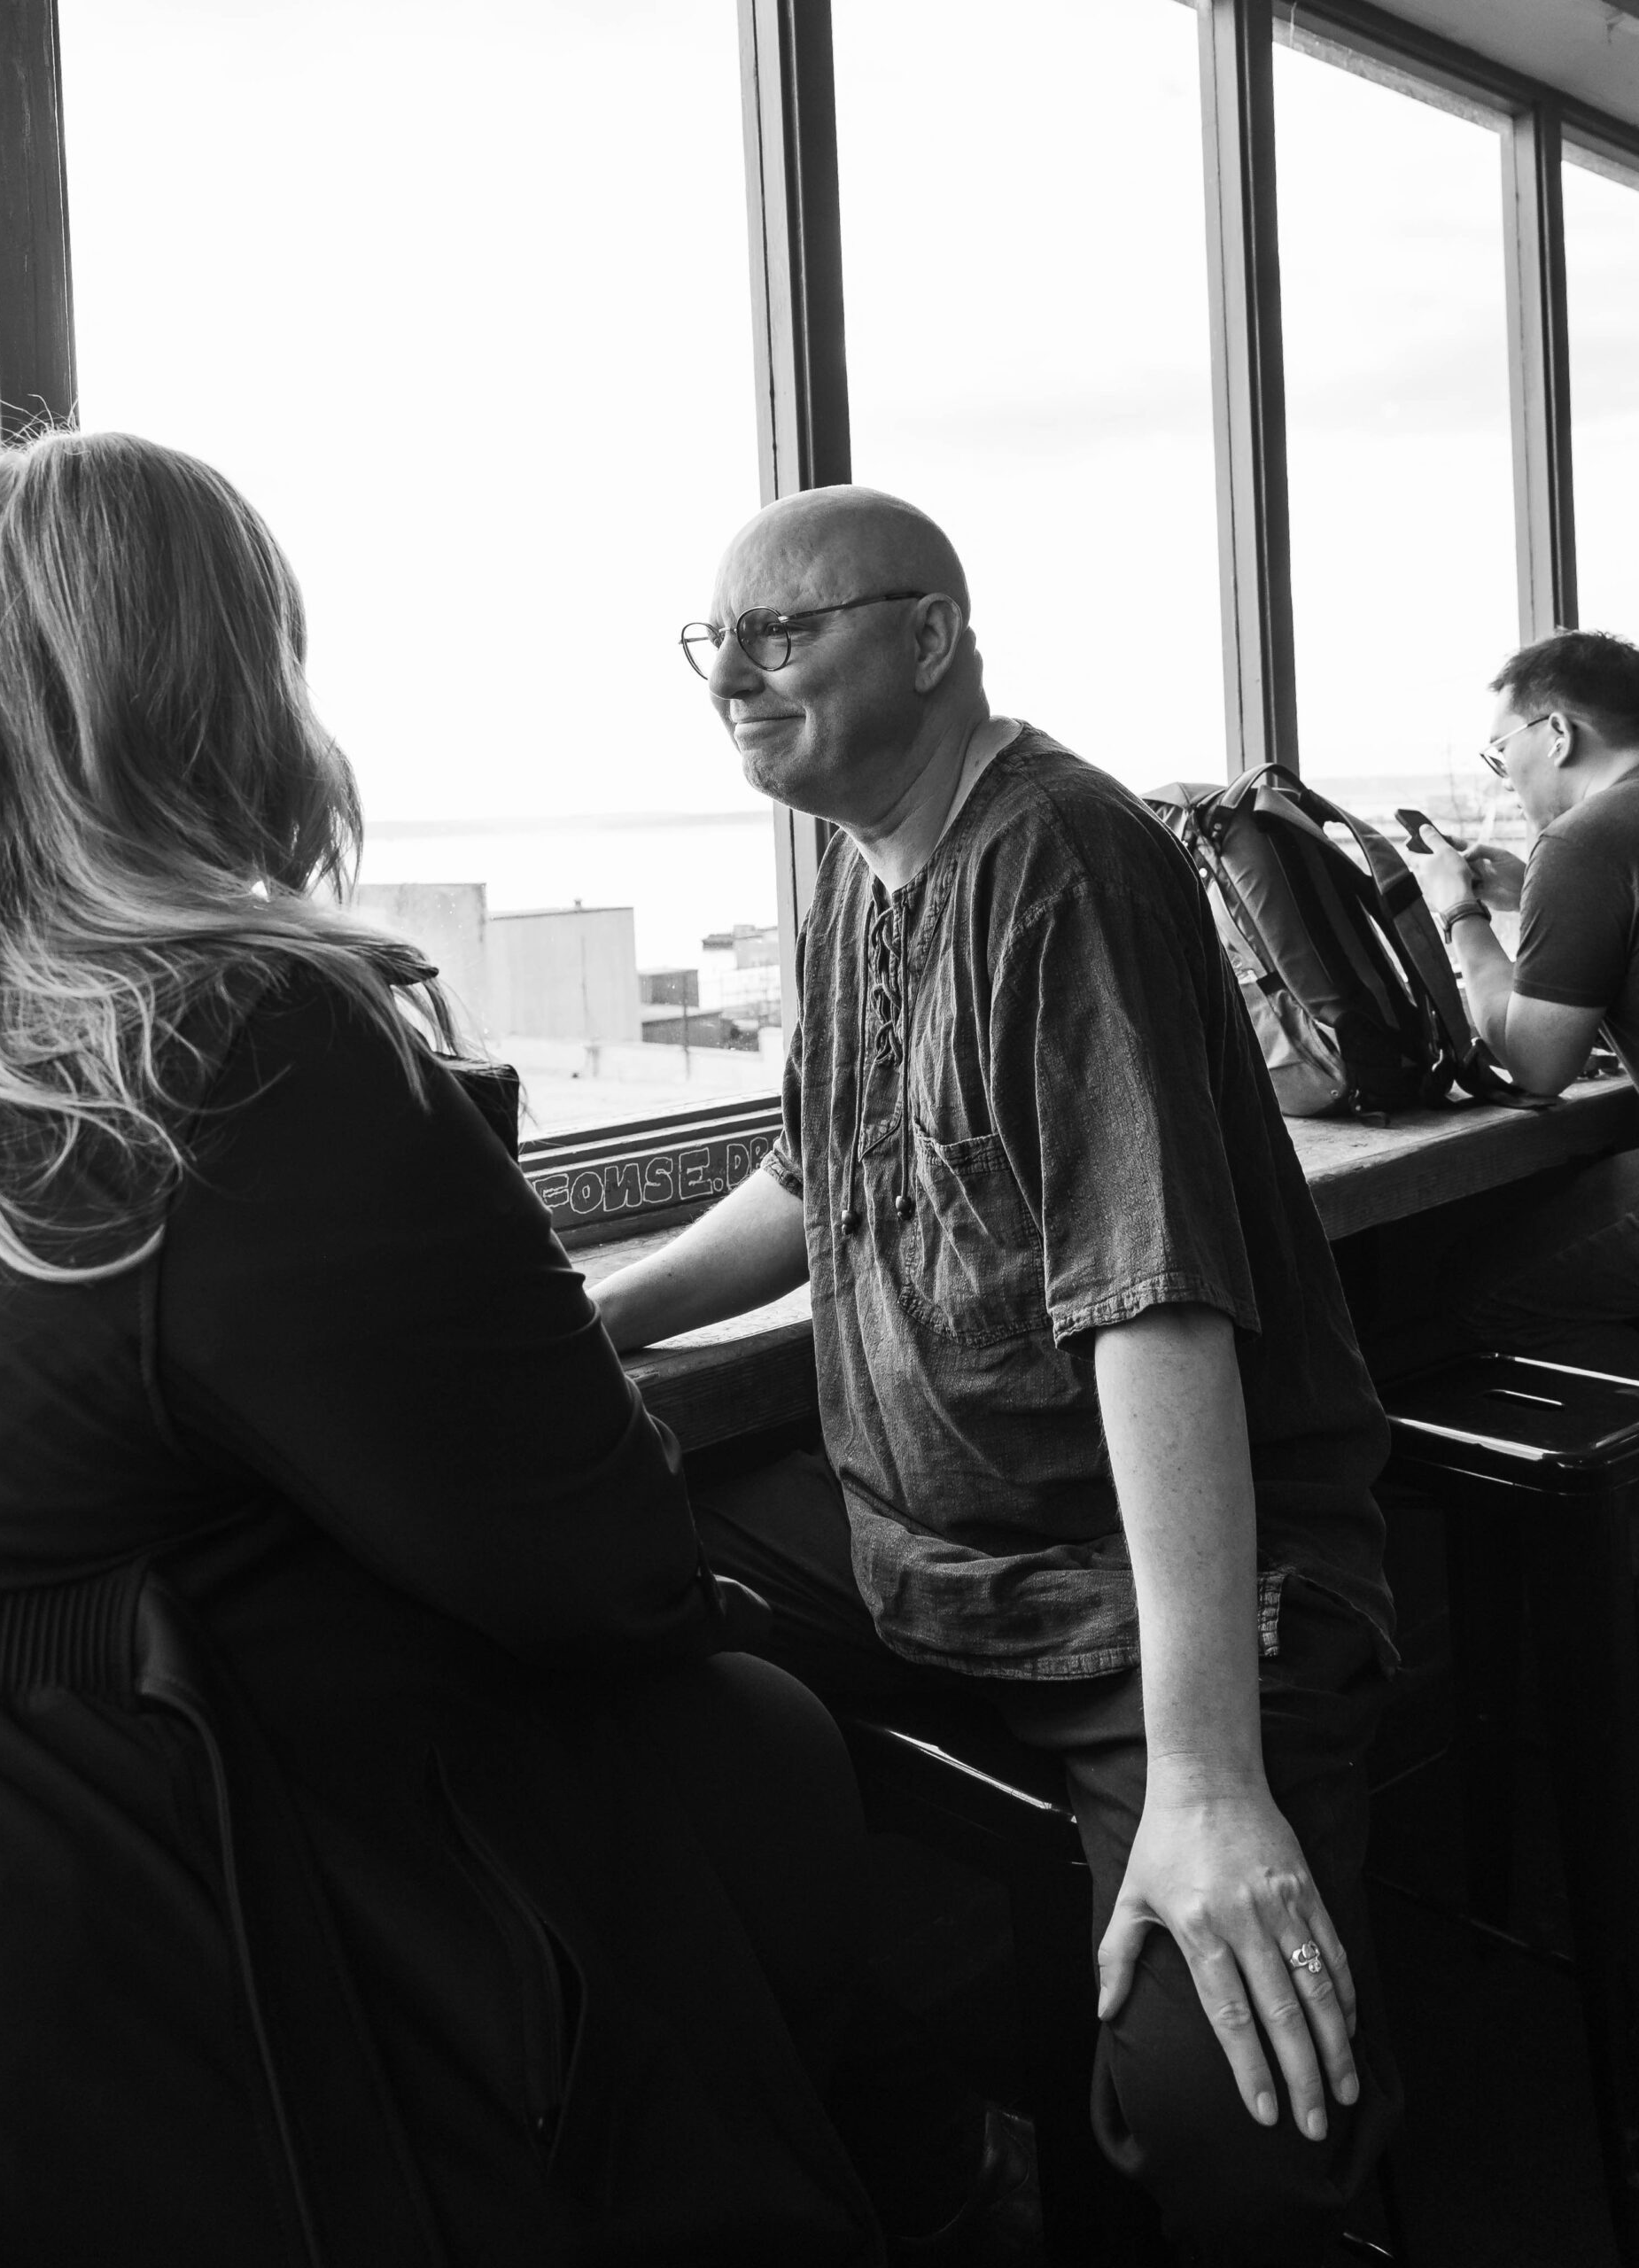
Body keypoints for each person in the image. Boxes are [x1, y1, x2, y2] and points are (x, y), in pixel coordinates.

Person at [0, 431, 885, 2268]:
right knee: (762, 1734)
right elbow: (603, 1569)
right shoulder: (236, 1036)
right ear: (235, 684)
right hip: (260, 1943)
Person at [599, 485, 1402, 2265]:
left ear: (928, 637)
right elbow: (815, 1176)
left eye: (781, 630)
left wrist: (1206, 1777)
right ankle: (926, 2146)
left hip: (1142, 1597)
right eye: (709, 640)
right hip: (913, 1553)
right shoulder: (857, 866)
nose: (732, 670)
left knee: (1235, 2124)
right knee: (602, 1646)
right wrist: (606, 1319)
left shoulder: (1060, 858)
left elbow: (1154, 1312)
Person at [1407, 629, 1639, 1352]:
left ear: (1558, 734)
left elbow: (1537, 1066)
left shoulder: (1584, 839)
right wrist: (1524, 896)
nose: (1501, 773)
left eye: (1501, 750)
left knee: (1467, 1293)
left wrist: (1458, 912)